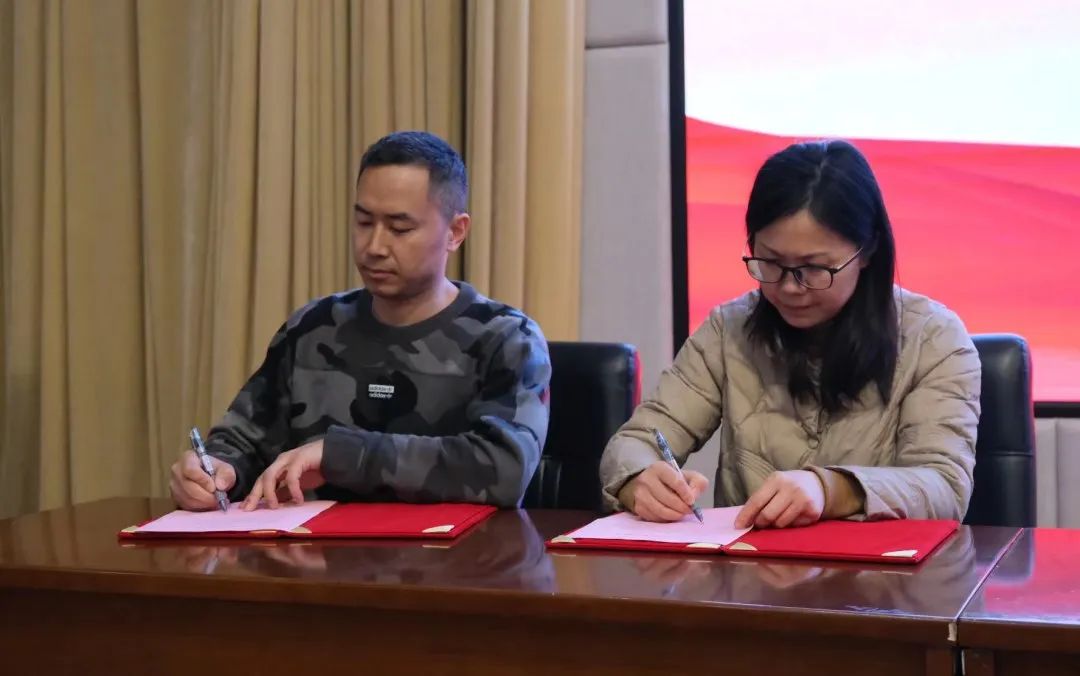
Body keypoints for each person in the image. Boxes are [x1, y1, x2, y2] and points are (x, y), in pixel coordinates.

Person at [600, 139, 981, 529]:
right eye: (770, 262)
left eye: (814, 268)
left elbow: (944, 487)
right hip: (747, 565)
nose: (789, 287)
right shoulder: (729, 330)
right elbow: (636, 442)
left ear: (867, 252)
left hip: (878, 568)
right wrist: (639, 478)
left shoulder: (934, 339)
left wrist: (831, 489)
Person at [169, 131, 551, 511]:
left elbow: (504, 469)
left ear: (455, 232)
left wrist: (343, 455)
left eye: (399, 229)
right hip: (311, 547)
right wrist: (216, 471)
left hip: (451, 550)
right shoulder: (313, 328)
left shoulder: (506, 339)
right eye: (364, 222)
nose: (374, 247)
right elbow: (243, 441)